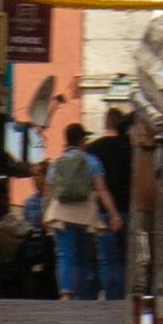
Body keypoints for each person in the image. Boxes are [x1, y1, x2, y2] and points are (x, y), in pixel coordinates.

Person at [40, 121, 116, 299]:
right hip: (85, 214)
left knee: (65, 255)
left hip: (62, 214)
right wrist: (113, 213)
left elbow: (48, 193)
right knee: (84, 256)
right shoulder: (92, 162)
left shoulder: (57, 163)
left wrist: (45, 215)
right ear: (82, 140)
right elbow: (102, 190)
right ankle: (82, 292)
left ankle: (66, 292)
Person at [90, 108, 138, 300]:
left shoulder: (94, 148)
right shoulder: (132, 149)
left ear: (105, 122)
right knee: (127, 258)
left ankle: (111, 296)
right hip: (130, 209)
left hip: (104, 210)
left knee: (108, 259)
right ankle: (125, 295)